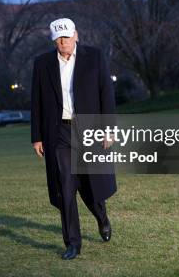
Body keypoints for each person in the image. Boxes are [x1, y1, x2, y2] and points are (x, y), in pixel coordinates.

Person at [30, 17, 117, 260]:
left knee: (90, 185)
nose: (63, 42)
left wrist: (109, 129)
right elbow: (35, 102)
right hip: (59, 133)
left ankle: (102, 218)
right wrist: (36, 137)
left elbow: (106, 95)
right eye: (58, 38)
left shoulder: (95, 57)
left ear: (76, 35)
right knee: (65, 187)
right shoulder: (42, 64)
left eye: (66, 37)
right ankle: (72, 243)